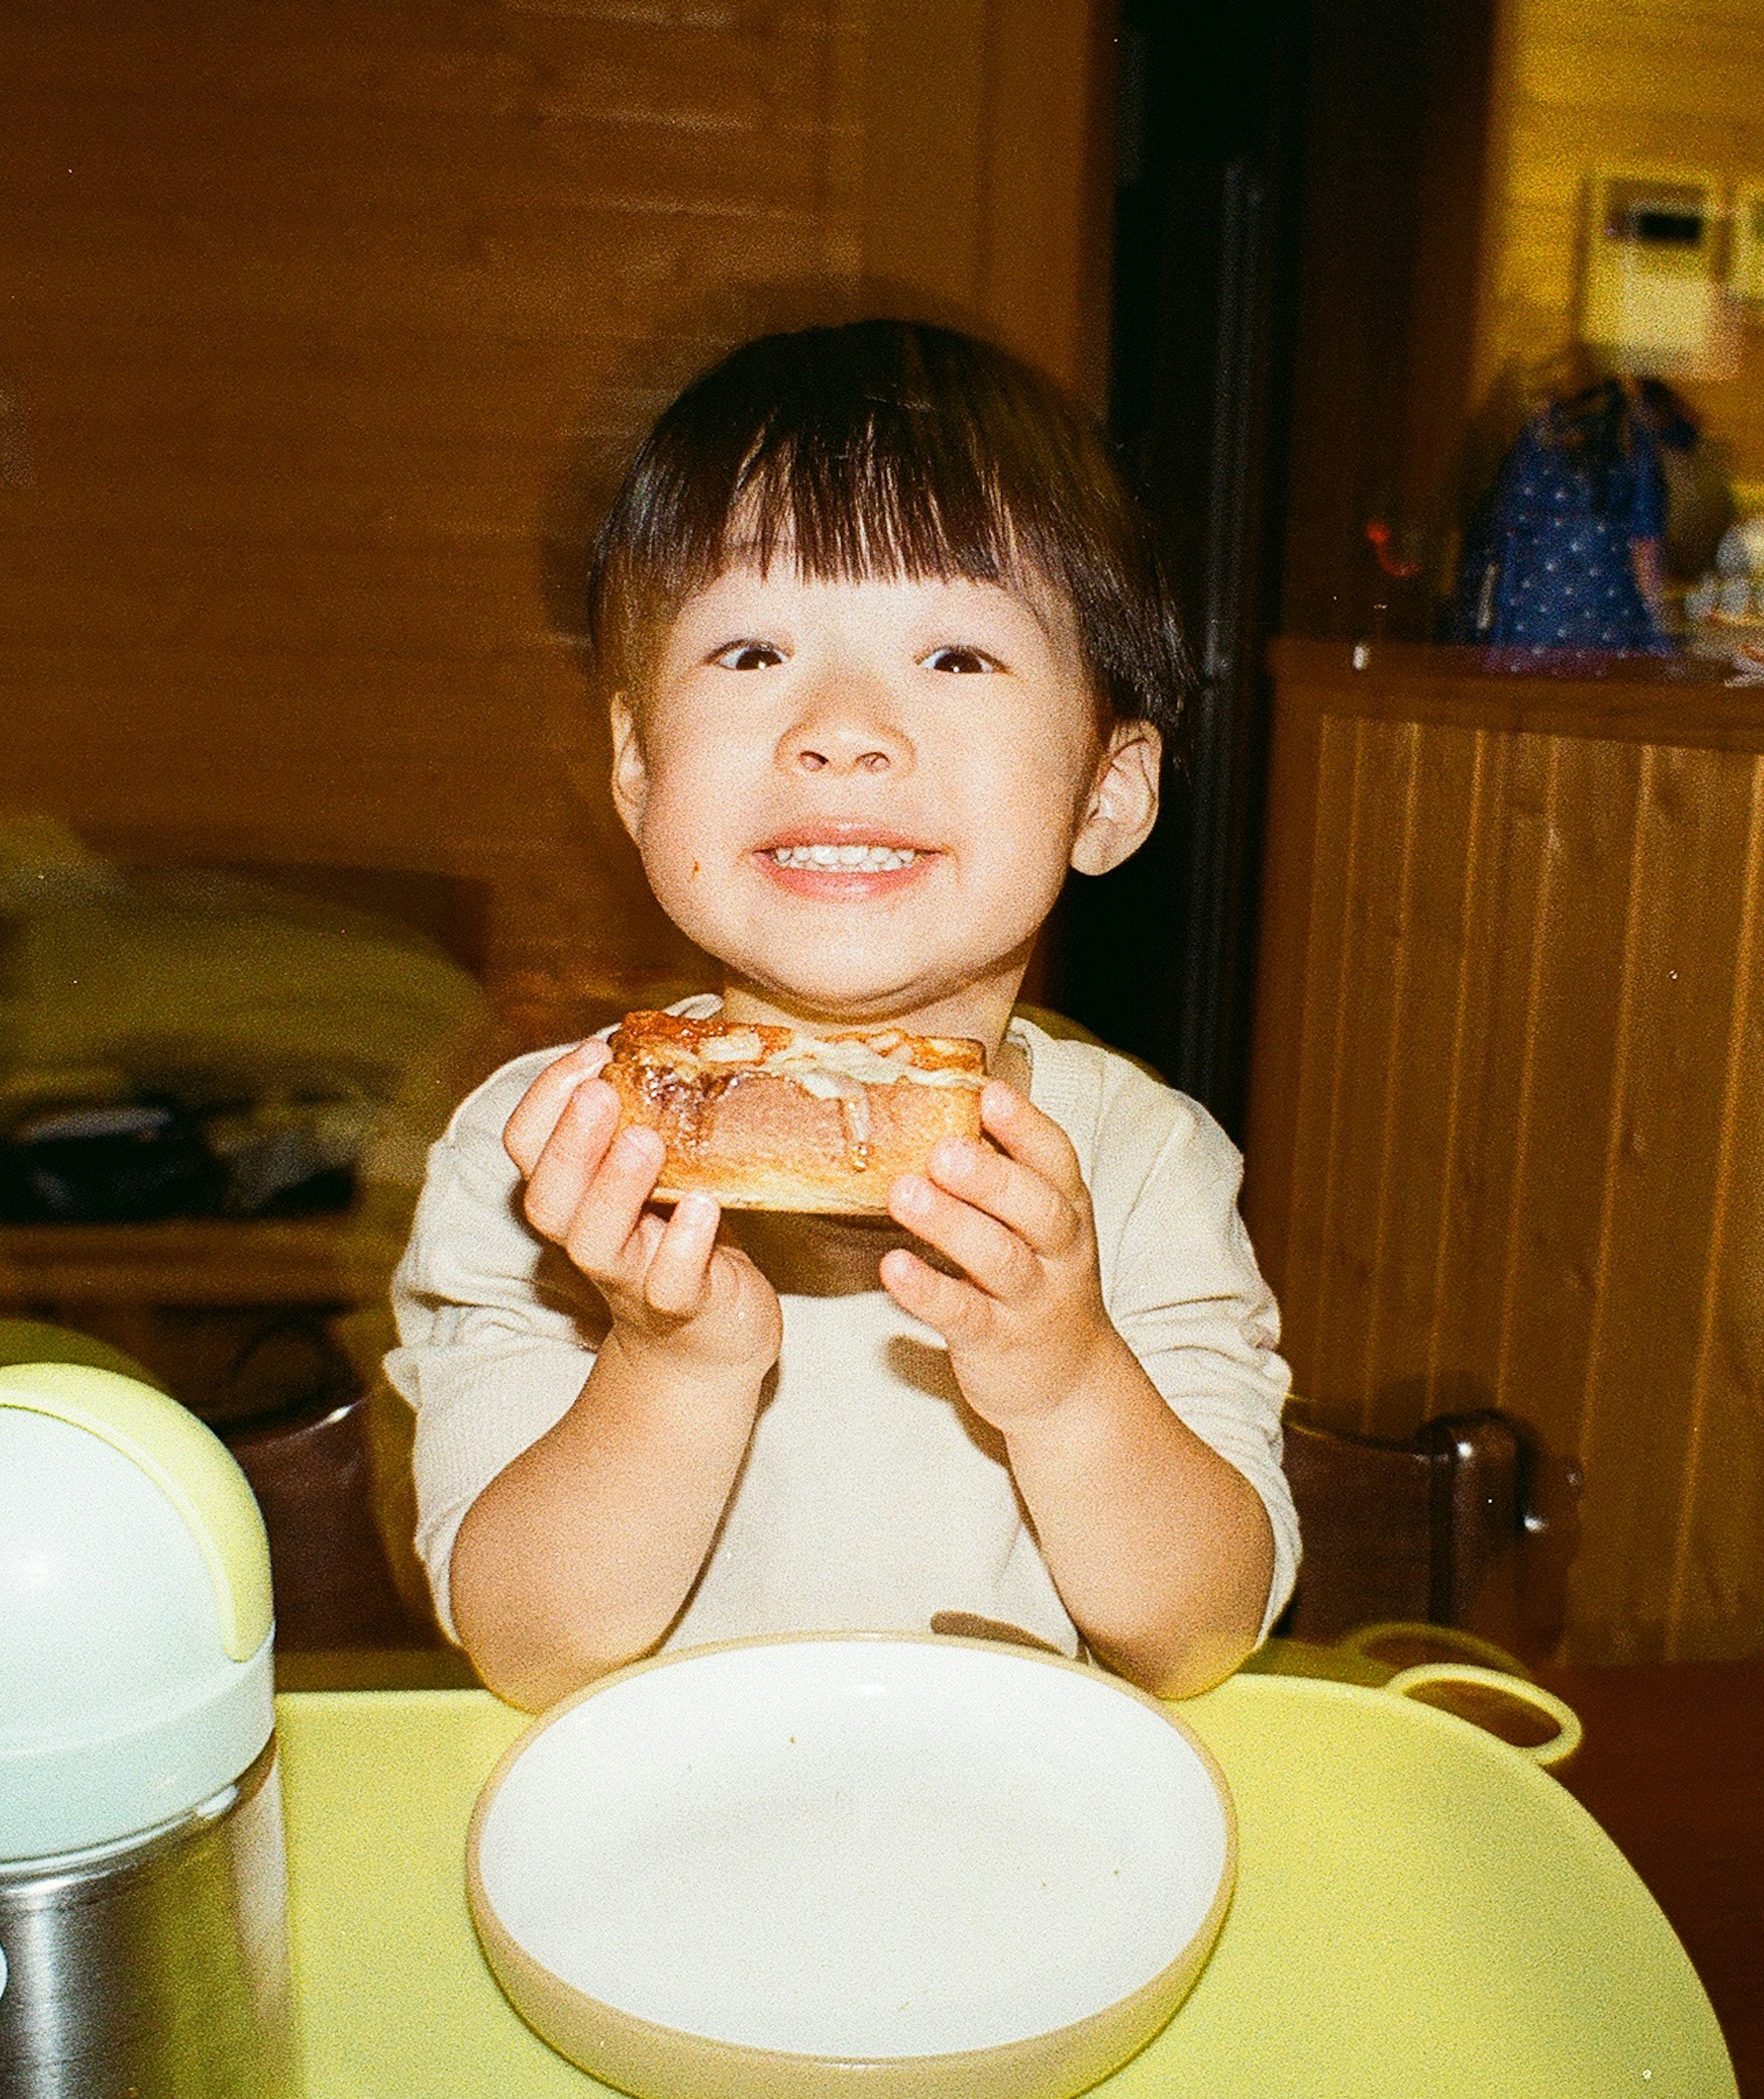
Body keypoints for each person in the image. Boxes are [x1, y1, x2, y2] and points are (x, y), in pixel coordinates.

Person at [389, 319, 1298, 1711]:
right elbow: (525, 1646)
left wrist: (1064, 1380)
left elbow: (1201, 1634)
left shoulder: (1139, 1161)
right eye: (752, 651)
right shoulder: (546, 1154)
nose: (844, 726)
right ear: (638, 768)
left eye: (958, 656)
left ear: (1109, 793)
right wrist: (672, 1359)